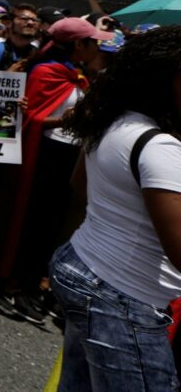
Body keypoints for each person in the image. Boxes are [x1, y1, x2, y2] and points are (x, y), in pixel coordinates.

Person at [50, 26, 181, 391]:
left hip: (83, 268)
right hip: (123, 298)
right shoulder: (161, 147)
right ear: (163, 81)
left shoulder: (117, 120)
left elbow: (80, 185)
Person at [0, 17, 111, 324]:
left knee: (51, 225)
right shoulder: (46, 72)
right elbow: (31, 119)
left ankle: (32, 281)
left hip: (67, 156)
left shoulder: (77, 75)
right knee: (31, 221)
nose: (97, 47)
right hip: (43, 156)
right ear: (77, 44)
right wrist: (69, 119)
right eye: (92, 41)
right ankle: (14, 282)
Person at [0, 3, 39, 71]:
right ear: (9, 23)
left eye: (34, 20)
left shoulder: (38, 54)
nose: (31, 23)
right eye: (24, 19)